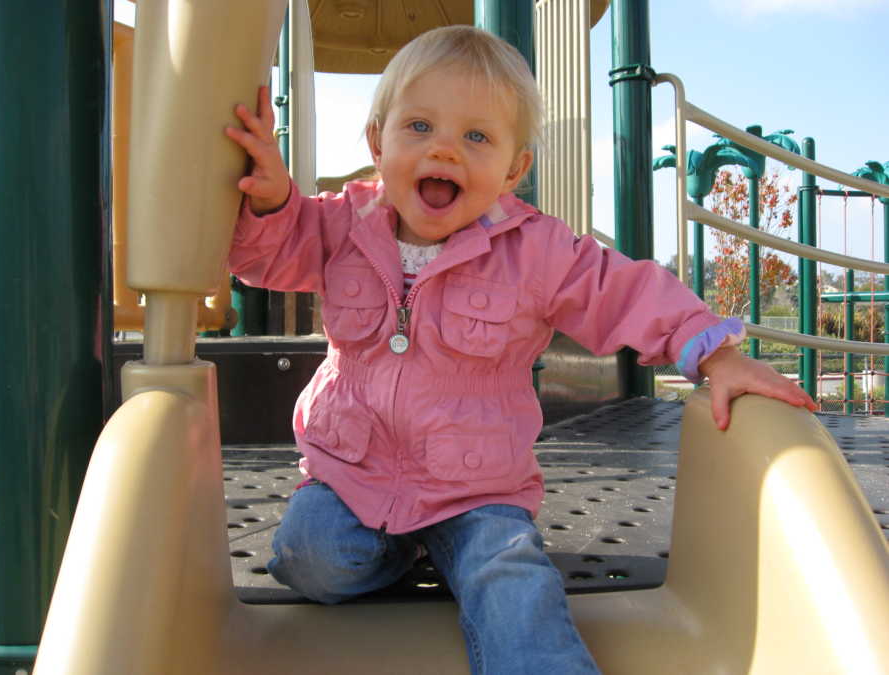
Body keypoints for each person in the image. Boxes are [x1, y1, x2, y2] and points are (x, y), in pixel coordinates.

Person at [225, 25, 815, 675]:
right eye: (419, 126)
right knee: (309, 560)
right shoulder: (341, 224)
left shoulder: (535, 251)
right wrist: (277, 201)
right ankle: (403, 551)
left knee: (512, 580)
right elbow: (266, 255)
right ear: (377, 141)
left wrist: (713, 353)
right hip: (353, 474)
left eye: (476, 136)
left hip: (476, 490)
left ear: (513, 168)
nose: (445, 149)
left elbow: (624, 292)